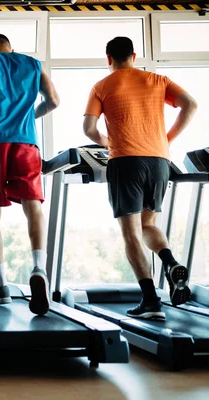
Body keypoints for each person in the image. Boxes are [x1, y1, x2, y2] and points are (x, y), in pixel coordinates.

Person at [83, 36, 198, 319]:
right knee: (148, 224)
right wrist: (165, 140)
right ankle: (170, 262)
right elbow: (191, 105)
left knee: (131, 232)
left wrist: (107, 142)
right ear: (134, 56)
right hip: (159, 161)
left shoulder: (101, 86)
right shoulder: (158, 80)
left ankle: (150, 301)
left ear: (108, 58)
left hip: (125, 161)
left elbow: (88, 129)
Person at [0, 33, 60, 315]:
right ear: (11, 49)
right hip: (26, 141)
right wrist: (29, 116)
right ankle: (39, 267)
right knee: (33, 207)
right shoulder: (33, 63)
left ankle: (2, 286)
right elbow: (53, 101)